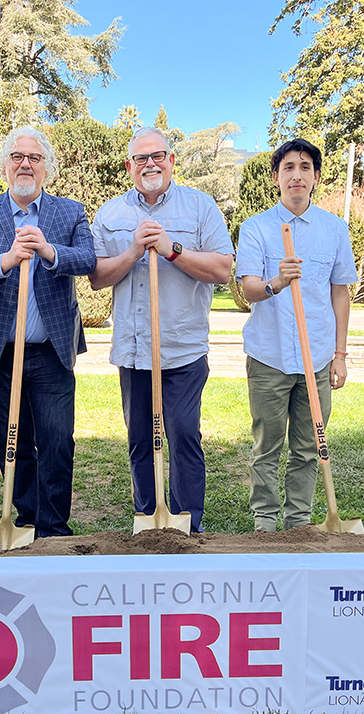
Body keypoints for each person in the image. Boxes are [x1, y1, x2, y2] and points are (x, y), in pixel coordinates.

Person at [89, 127, 233, 533]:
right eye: (141, 158)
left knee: (183, 436)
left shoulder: (200, 207)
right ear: (129, 166)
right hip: (134, 351)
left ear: (171, 160)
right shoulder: (110, 214)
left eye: (158, 156)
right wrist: (134, 250)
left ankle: (187, 526)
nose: (150, 164)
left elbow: (223, 269)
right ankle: (149, 522)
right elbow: (97, 277)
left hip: (182, 349)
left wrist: (172, 249)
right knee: (140, 440)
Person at [0, 126, 95, 538]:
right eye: (17, 156)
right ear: (5, 165)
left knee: (57, 439)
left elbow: (88, 259)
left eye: (34, 158)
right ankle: (27, 518)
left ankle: (53, 528)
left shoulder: (69, 212)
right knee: (10, 438)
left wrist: (48, 251)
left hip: (51, 348)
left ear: (47, 167)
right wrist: (6, 259)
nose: (25, 164)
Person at [236, 139, 358, 532]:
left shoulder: (335, 229)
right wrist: (276, 282)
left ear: (316, 177)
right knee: (266, 447)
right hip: (268, 356)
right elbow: (248, 289)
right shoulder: (256, 228)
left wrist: (340, 354)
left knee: (309, 447)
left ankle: (299, 523)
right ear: (276, 177)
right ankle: (265, 523)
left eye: (305, 168)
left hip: (317, 358)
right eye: (288, 167)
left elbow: (341, 292)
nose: (297, 175)